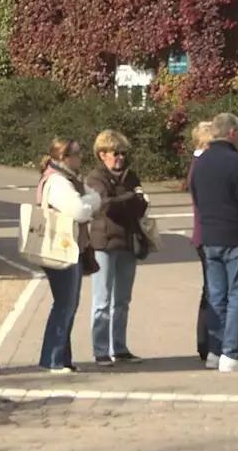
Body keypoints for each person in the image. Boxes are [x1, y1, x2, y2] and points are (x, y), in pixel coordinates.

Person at [188, 112, 238, 371]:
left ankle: (216, 350)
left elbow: (198, 199)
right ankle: (232, 353)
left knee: (217, 296)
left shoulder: (200, 163)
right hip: (235, 235)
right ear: (232, 133)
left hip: (210, 236)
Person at [34, 138, 101, 373]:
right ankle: (53, 359)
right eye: (77, 154)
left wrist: (89, 200)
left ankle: (62, 357)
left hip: (69, 247)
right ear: (64, 157)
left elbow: (92, 199)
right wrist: (91, 201)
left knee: (68, 304)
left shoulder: (71, 180)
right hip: (61, 249)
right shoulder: (58, 181)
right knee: (64, 304)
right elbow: (80, 211)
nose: (81, 158)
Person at [85, 129, 151, 364]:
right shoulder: (95, 178)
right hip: (104, 243)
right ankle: (100, 350)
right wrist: (131, 198)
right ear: (102, 154)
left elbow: (141, 205)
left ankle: (120, 347)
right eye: (116, 153)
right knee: (102, 300)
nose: (120, 158)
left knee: (122, 300)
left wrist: (132, 199)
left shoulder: (130, 177)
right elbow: (105, 207)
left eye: (123, 153)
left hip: (127, 242)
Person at [186, 121, 221, 364]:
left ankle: (205, 343)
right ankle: (208, 343)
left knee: (210, 290)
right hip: (208, 234)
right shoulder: (203, 165)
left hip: (203, 233)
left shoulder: (198, 164)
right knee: (213, 291)